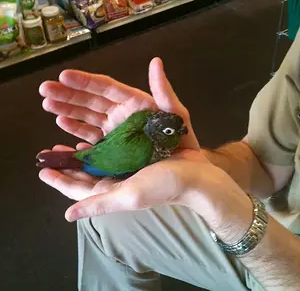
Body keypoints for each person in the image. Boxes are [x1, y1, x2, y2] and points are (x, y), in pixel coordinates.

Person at [37, 32, 300, 291]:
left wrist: (223, 206)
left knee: (106, 206)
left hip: (281, 271)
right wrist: (200, 166)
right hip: (263, 214)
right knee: (100, 217)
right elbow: (264, 161)